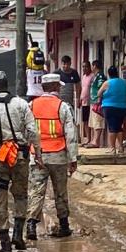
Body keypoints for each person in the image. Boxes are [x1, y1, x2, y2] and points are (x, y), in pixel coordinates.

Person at [0, 71, 43, 252]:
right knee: (21, 196)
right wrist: (39, 156)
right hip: (20, 157)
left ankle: (5, 244)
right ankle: (18, 236)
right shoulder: (21, 104)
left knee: (0, 198)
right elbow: (33, 132)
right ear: (6, 85)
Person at [26, 73, 78, 240]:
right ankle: (64, 226)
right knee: (60, 191)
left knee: (36, 191)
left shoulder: (31, 105)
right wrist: (73, 158)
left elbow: (26, 131)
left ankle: (31, 226)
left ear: (43, 87)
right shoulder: (62, 107)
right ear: (56, 87)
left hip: (38, 156)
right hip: (58, 155)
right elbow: (70, 135)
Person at [96, 66, 126, 154]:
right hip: (123, 107)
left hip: (109, 107)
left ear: (109, 74)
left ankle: (112, 148)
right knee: (119, 127)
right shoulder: (124, 82)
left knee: (112, 128)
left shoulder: (107, 83)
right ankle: (121, 147)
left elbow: (99, 93)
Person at [86, 60, 107, 148]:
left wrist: (99, 98)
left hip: (97, 101)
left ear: (94, 66)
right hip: (93, 101)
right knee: (93, 122)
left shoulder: (100, 76)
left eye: (92, 66)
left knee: (97, 121)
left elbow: (101, 87)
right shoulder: (95, 76)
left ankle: (96, 141)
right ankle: (93, 140)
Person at [79, 61, 94, 146]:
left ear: (90, 67)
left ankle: (91, 139)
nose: (84, 68)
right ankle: (87, 138)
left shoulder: (92, 77)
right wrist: (80, 100)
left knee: (90, 121)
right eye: (83, 67)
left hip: (90, 102)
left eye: (86, 67)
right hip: (84, 102)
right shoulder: (84, 77)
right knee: (84, 121)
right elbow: (82, 89)